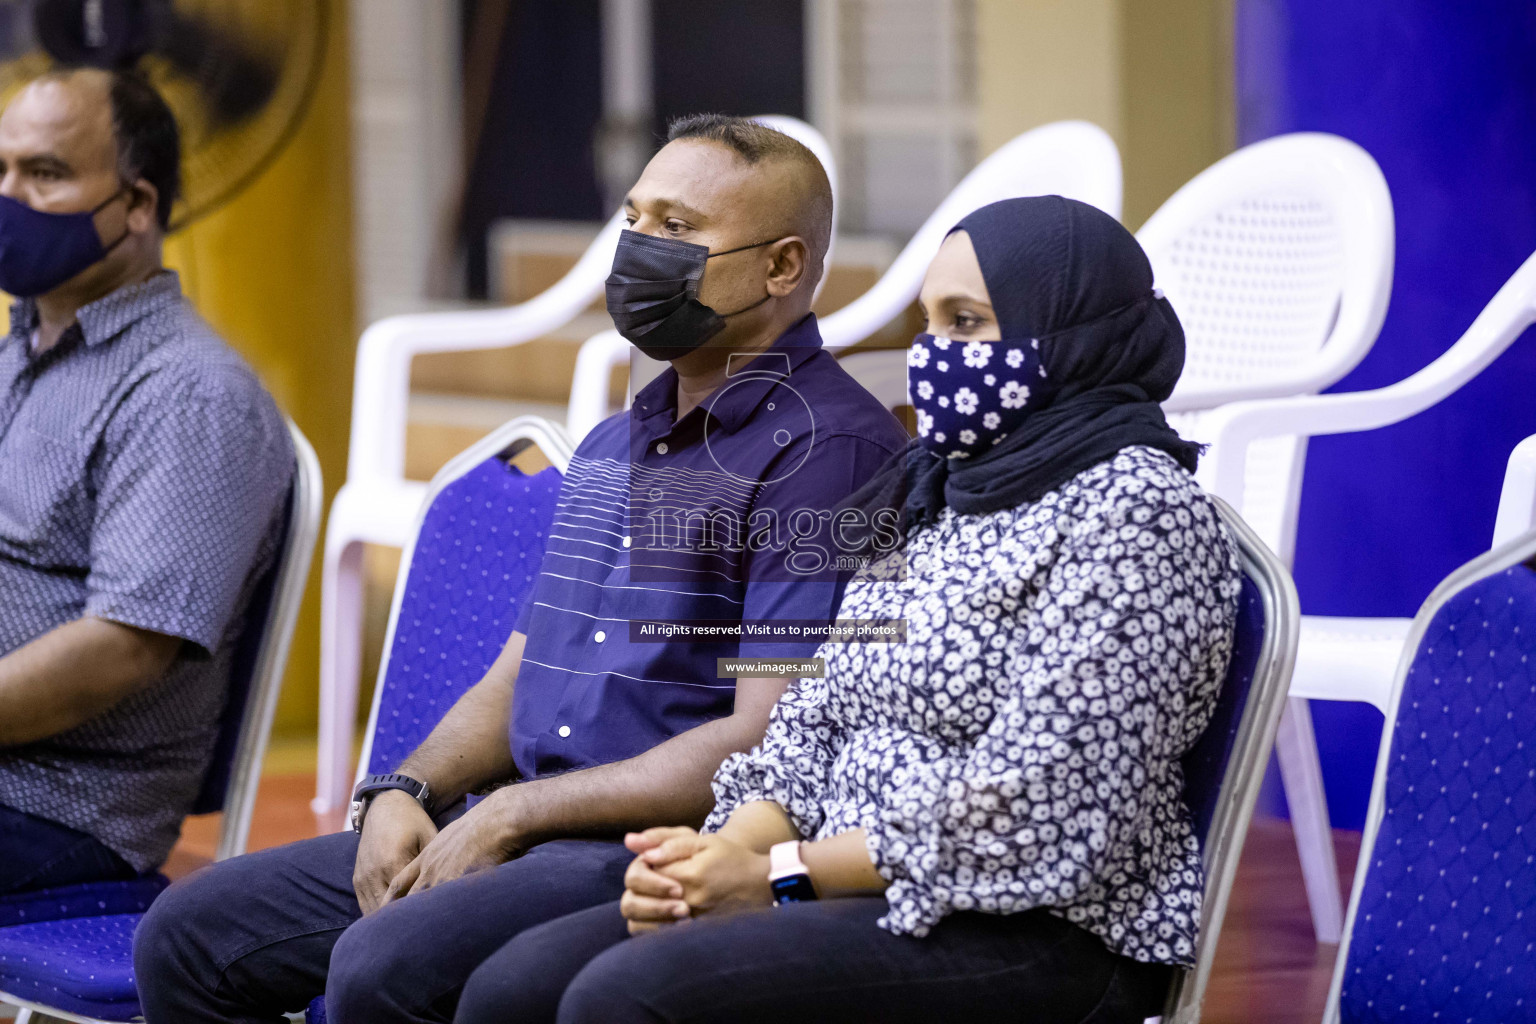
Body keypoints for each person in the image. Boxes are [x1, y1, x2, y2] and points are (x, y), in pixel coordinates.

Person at [134, 114, 909, 1023]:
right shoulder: (619, 438)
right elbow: (521, 666)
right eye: (635, 218)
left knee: (386, 966)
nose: (638, 250)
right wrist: (406, 785)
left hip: (648, 844)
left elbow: (762, 737)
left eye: (679, 228)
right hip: (519, 815)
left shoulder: (831, 453)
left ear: (782, 267)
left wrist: (513, 816)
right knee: (189, 934)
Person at [445, 196, 1243, 1024]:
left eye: (967, 323)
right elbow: (813, 718)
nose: (935, 354)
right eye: (929, 324)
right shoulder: (937, 491)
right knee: (518, 987)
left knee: (627, 997)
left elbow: (1032, 812)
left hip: (1033, 929)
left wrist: (779, 875)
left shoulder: (1136, 514)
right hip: (835, 884)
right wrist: (725, 854)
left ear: (1073, 336)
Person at [0, 68, 293, 892]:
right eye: (3, 171)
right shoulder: (22, 355)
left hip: (57, 805)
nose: (10, 196)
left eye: (45, 173)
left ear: (136, 205)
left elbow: (124, 646)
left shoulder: (189, 394)